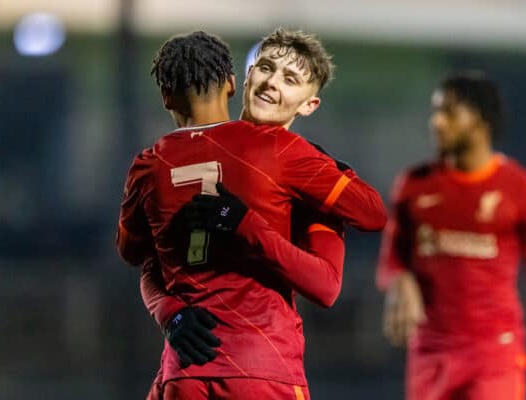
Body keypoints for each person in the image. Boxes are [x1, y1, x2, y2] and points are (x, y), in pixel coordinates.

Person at [117, 30, 386, 399]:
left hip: (185, 373)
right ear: (241, 79)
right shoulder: (285, 157)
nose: (272, 82)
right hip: (259, 369)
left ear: (309, 104)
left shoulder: (158, 160)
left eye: (290, 79)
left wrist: (168, 309)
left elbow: (141, 259)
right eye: (266, 68)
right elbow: (151, 262)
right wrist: (169, 311)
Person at [376, 72, 526, 400]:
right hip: (430, 356)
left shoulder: (525, 192)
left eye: (448, 112)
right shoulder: (413, 186)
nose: (437, 122)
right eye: (435, 112)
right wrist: (399, 280)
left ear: (481, 119)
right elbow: (390, 262)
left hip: (494, 357)